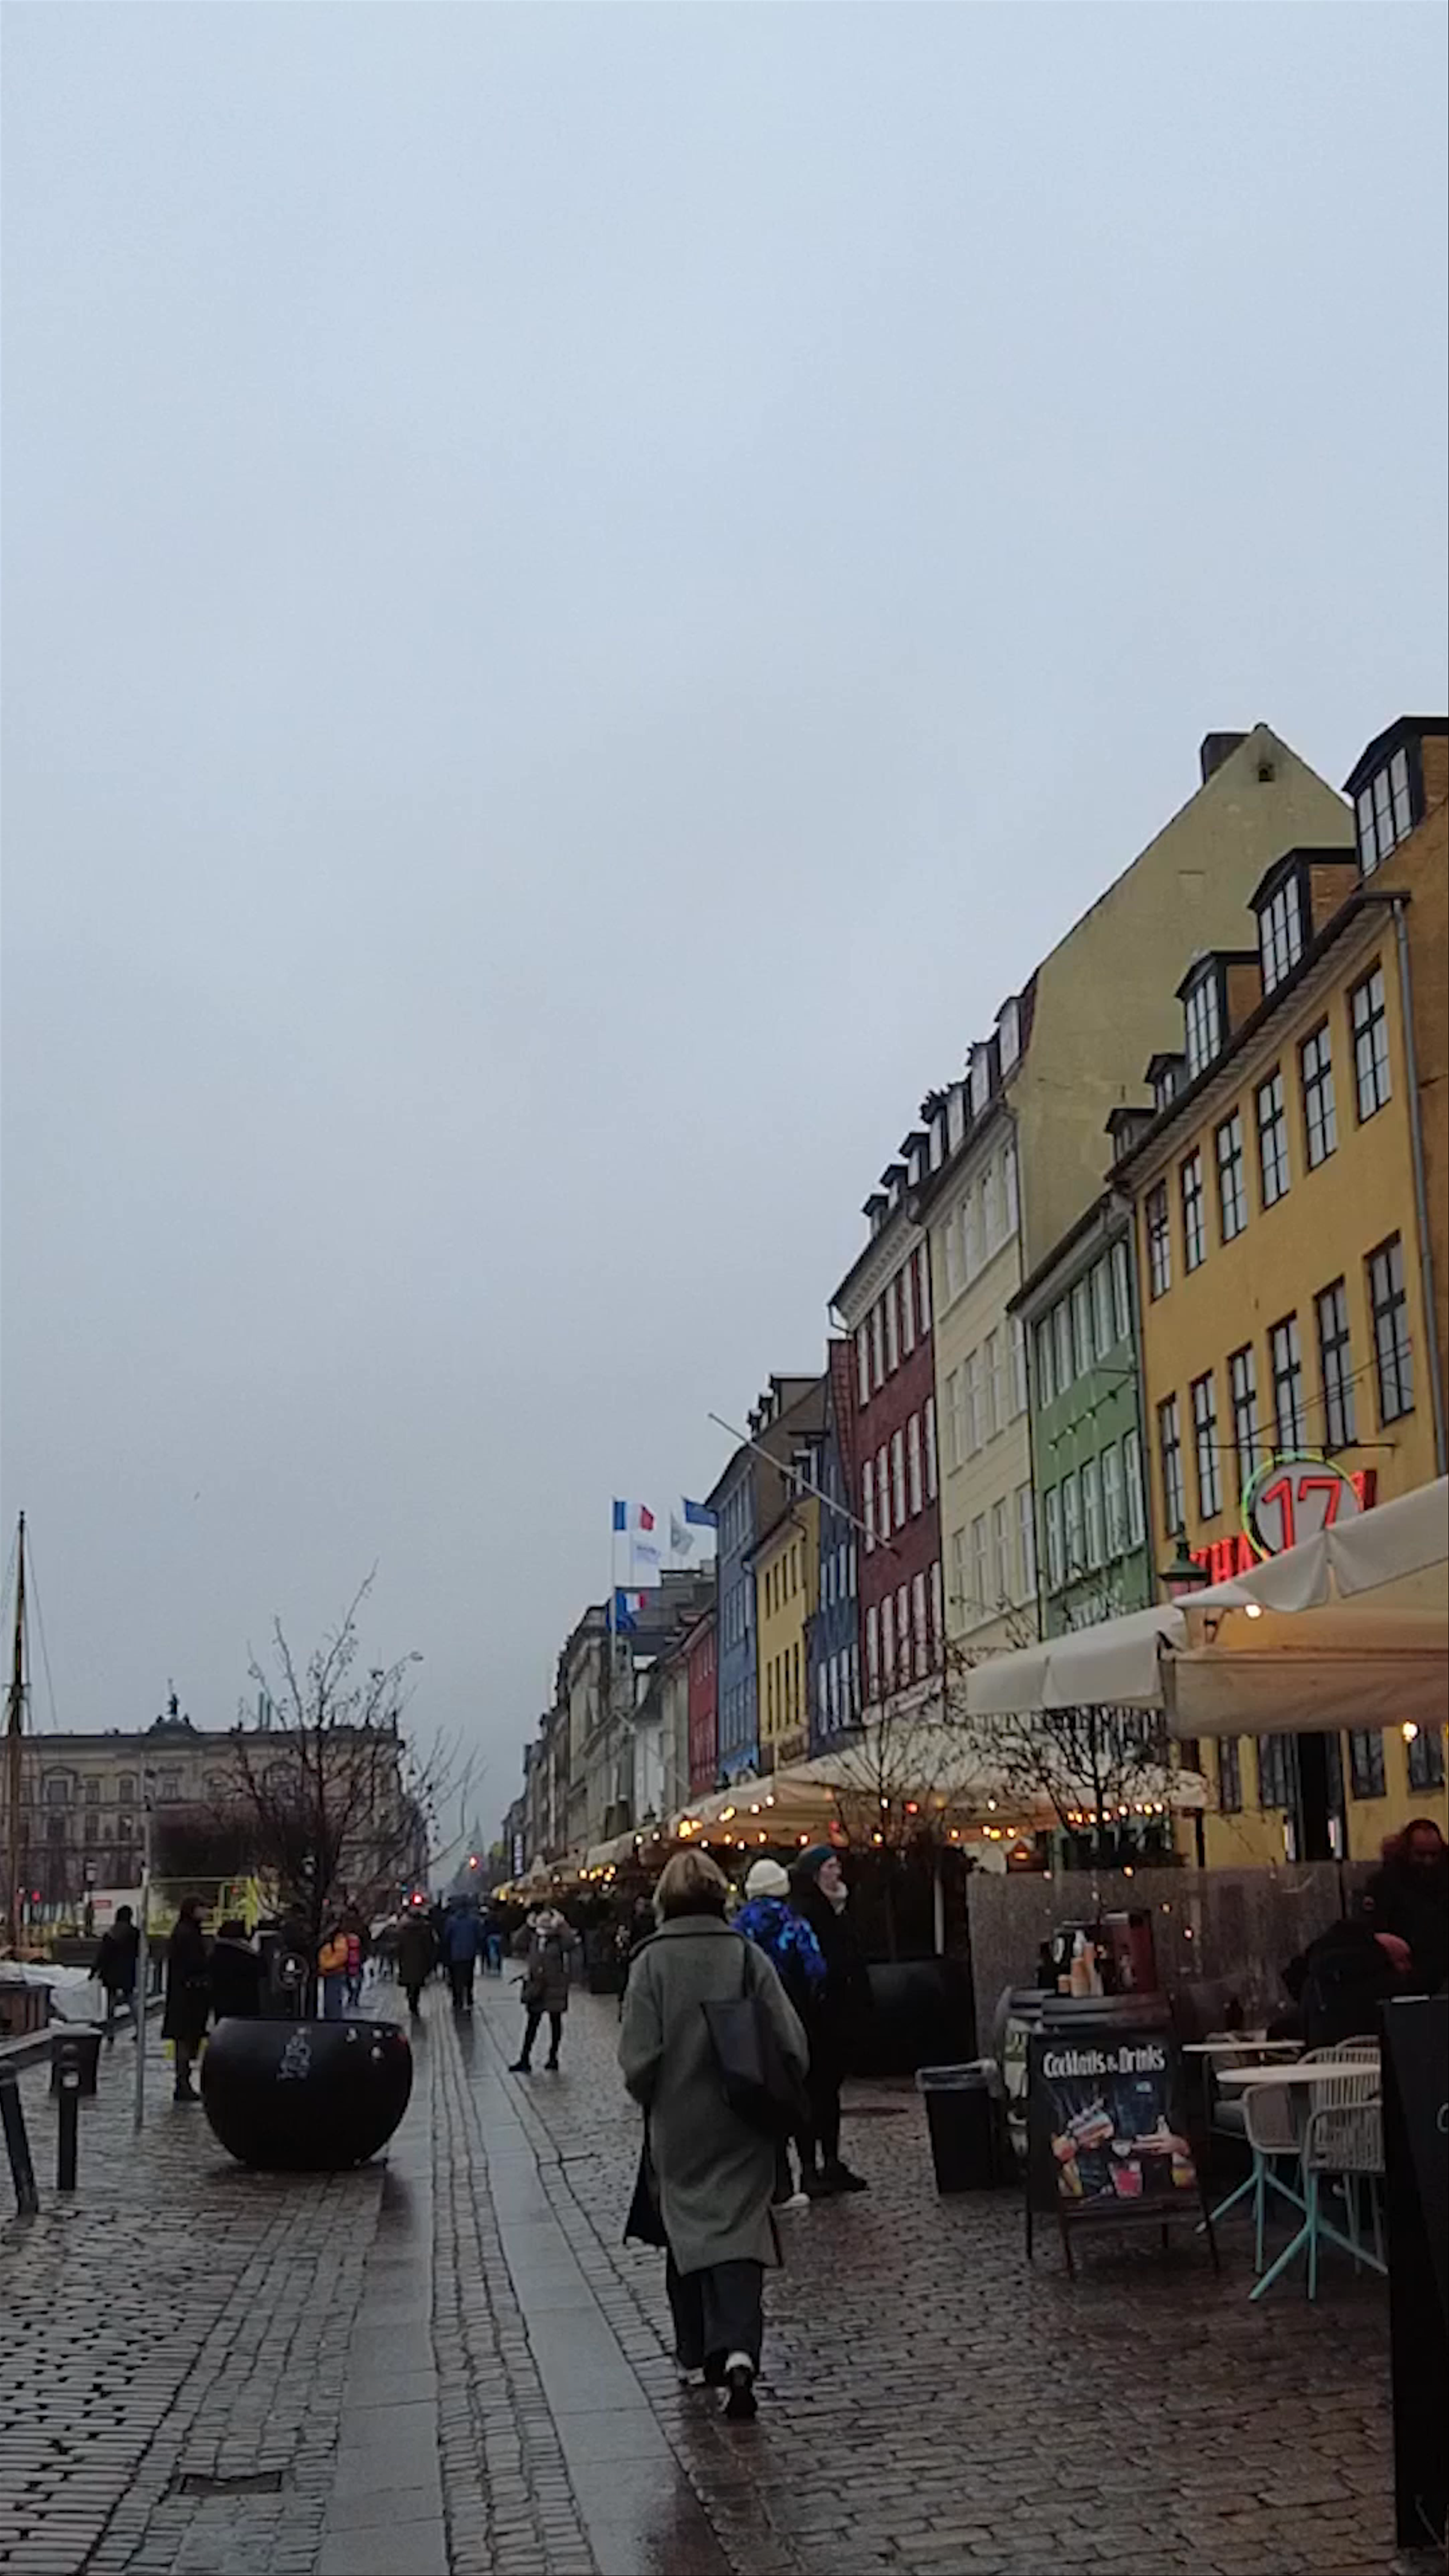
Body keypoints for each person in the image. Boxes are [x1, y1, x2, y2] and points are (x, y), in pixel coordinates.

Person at [620, 1848, 807, 2421]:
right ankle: (741, 2351)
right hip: (742, 2117)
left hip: (678, 2125)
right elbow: (793, 2044)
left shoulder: (648, 1964)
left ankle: (696, 2350)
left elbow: (638, 2062)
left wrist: (659, 2090)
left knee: (686, 2231)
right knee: (742, 2233)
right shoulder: (746, 1955)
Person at [735, 1857, 827, 2209]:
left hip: (754, 2023)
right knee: (799, 2094)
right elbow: (817, 1968)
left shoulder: (739, 1927)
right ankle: (807, 2170)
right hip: (796, 2017)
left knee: (767, 2099)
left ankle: (777, 2178)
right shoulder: (794, 1923)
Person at [789, 1847, 872, 2195]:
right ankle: (810, 2168)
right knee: (811, 2094)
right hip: (814, 2017)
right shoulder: (807, 1914)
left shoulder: (842, 1909)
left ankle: (832, 2162)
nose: (836, 1872)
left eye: (838, 1865)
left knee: (829, 2093)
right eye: (829, 1866)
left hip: (840, 2015)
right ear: (815, 1873)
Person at [1278, 1907, 1414, 2047]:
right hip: (1375, 2059)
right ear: (1387, 1956)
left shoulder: (1316, 1978)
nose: (1408, 1967)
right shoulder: (1387, 1984)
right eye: (1403, 1960)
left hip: (1323, 2058)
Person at [1362, 1817, 1449, 1994]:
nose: (1428, 1862)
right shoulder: (1385, 1884)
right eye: (1421, 1855)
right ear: (1407, 1852)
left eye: (1433, 1855)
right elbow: (1373, 1929)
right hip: (1403, 1975)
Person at [510, 1904, 578, 2071]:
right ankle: (525, 2059)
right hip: (536, 1986)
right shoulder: (533, 1937)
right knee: (532, 2023)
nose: (545, 1923)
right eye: (542, 1919)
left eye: (548, 1920)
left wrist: (562, 1926)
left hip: (555, 1985)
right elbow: (517, 1942)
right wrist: (527, 1926)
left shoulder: (558, 1938)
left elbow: (571, 1944)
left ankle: (553, 2057)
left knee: (555, 2022)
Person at [162, 1897, 211, 2101]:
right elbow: (193, 1963)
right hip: (187, 1996)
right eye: (203, 1908)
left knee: (185, 2038)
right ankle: (182, 2083)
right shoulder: (188, 1934)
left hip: (184, 1995)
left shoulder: (186, 1931)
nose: (206, 1912)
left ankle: (183, 2082)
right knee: (185, 2038)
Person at [93, 1904, 140, 2047]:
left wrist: (94, 1971)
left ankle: (111, 2032)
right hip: (128, 1971)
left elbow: (103, 1955)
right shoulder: (135, 1933)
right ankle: (139, 2028)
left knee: (111, 2004)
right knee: (131, 2001)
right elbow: (139, 1952)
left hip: (111, 1972)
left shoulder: (111, 1933)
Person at [209, 1919, 265, 2021]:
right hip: (245, 2002)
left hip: (222, 2002)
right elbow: (262, 1970)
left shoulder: (217, 1953)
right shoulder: (247, 1955)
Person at [442, 1902, 483, 2013]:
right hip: (470, 1953)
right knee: (469, 1977)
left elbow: (447, 1937)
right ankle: (469, 1998)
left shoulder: (451, 1921)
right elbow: (480, 1935)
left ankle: (458, 2000)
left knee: (456, 1978)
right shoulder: (474, 1921)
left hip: (456, 1954)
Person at [397, 1908, 436, 2016]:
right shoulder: (425, 1930)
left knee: (409, 1981)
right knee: (417, 1983)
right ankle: (414, 2002)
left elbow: (400, 1946)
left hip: (407, 1960)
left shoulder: (404, 1930)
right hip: (421, 1960)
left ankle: (411, 1999)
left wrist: (399, 1958)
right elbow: (430, 1946)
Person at [318, 1919, 351, 2021]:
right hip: (331, 1973)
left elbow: (340, 1957)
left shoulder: (339, 1941)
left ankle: (333, 2019)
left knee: (333, 1998)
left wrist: (326, 1965)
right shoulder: (337, 1941)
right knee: (331, 1998)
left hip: (334, 1973)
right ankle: (331, 2017)